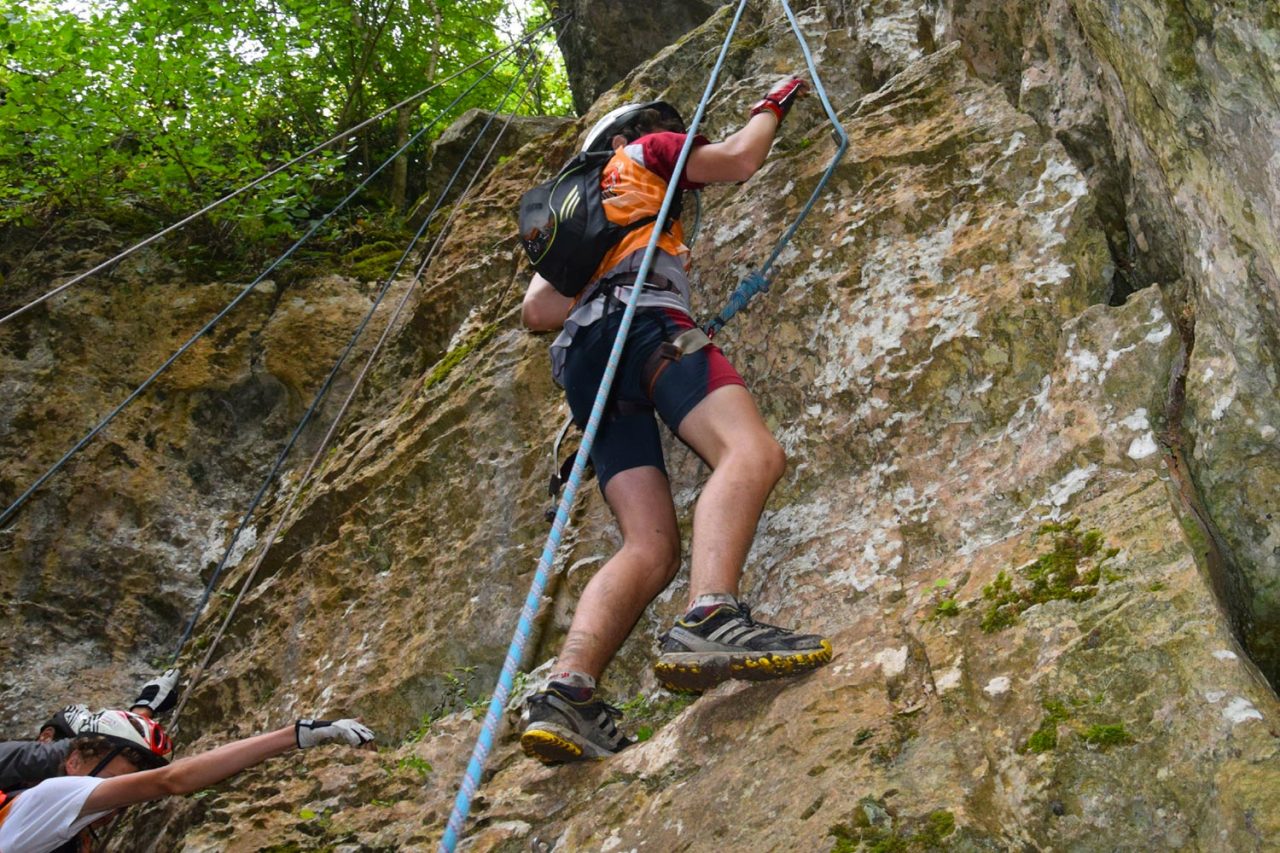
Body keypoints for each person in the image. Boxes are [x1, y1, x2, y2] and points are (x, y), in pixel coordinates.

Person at [518, 77, 832, 764]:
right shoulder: (648, 151)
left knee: (649, 545)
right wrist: (770, 106)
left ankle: (567, 690)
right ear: (634, 133)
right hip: (648, 326)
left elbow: (538, 313)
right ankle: (712, 612)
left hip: (586, 363)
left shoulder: (571, 219)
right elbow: (742, 159)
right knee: (751, 453)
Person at [0, 709, 374, 853]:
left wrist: (145, 704)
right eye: (114, 783)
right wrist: (296, 734)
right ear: (74, 759)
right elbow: (171, 780)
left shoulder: (52, 820)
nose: (113, 805)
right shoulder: (53, 796)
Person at [0, 669, 182, 793]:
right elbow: (40, 757)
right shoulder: (16, 759)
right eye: (82, 745)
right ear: (47, 737)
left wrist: (142, 710)